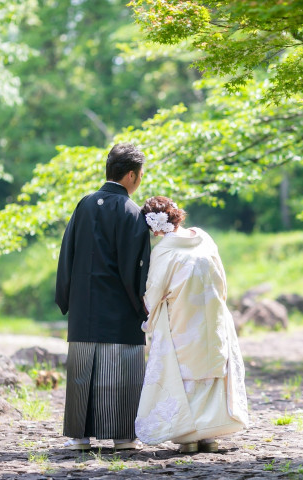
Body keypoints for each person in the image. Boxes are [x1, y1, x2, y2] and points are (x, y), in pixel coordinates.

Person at [55, 143, 151, 451]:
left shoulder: (84, 204)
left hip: (84, 309)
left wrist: (66, 297)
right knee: (121, 372)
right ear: (132, 176)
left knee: (83, 373)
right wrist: (142, 306)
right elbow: (136, 267)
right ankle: (122, 436)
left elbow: (66, 253)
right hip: (120, 311)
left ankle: (80, 437)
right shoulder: (131, 212)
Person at [135, 196, 248, 453]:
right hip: (213, 315)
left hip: (183, 318)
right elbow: (221, 279)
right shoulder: (204, 239)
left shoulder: (164, 250)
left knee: (185, 373)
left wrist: (148, 318)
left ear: (154, 227)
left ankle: (188, 438)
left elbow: (154, 289)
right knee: (212, 368)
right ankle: (211, 434)